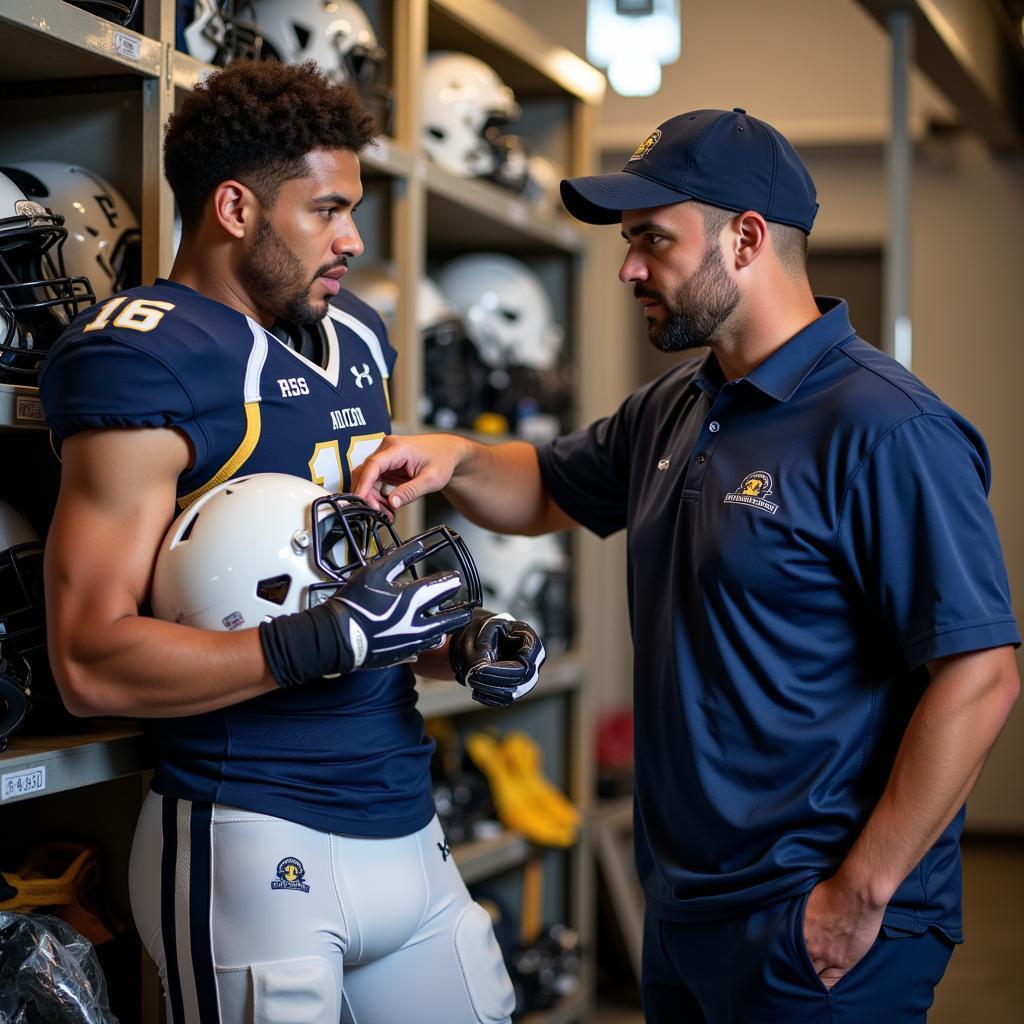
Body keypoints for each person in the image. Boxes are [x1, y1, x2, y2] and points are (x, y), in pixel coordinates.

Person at [352, 108, 1021, 1022]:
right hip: (683, 907)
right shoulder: (678, 403)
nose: (628, 269)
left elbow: (981, 676)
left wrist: (858, 897)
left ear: (746, 239)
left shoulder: (886, 428)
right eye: (628, 243)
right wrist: (453, 457)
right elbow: (546, 486)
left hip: (815, 925)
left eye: (653, 242)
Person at [38, 60, 543, 1024]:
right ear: (234, 207)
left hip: (403, 812)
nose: (354, 238)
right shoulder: (145, 356)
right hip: (249, 830)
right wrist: (329, 641)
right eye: (327, 210)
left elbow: (332, 599)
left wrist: (452, 644)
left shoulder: (354, 334)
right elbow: (90, 663)